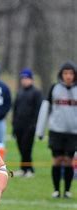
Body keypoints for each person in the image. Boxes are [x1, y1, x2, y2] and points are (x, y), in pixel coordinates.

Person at [36, 61, 77, 199]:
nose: (68, 76)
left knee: (69, 161)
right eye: (65, 73)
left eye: (71, 73)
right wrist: (40, 131)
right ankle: (56, 190)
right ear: (61, 74)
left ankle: (66, 190)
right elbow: (45, 109)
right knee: (57, 160)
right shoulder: (54, 88)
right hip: (56, 132)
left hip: (73, 133)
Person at [12, 68, 42, 177]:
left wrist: (34, 125)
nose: (24, 80)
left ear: (31, 79)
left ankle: (28, 170)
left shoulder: (36, 93)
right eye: (23, 78)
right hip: (19, 125)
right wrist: (14, 124)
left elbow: (38, 110)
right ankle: (24, 169)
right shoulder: (19, 92)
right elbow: (15, 109)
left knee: (26, 148)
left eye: (27, 78)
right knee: (20, 147)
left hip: (30, 126)